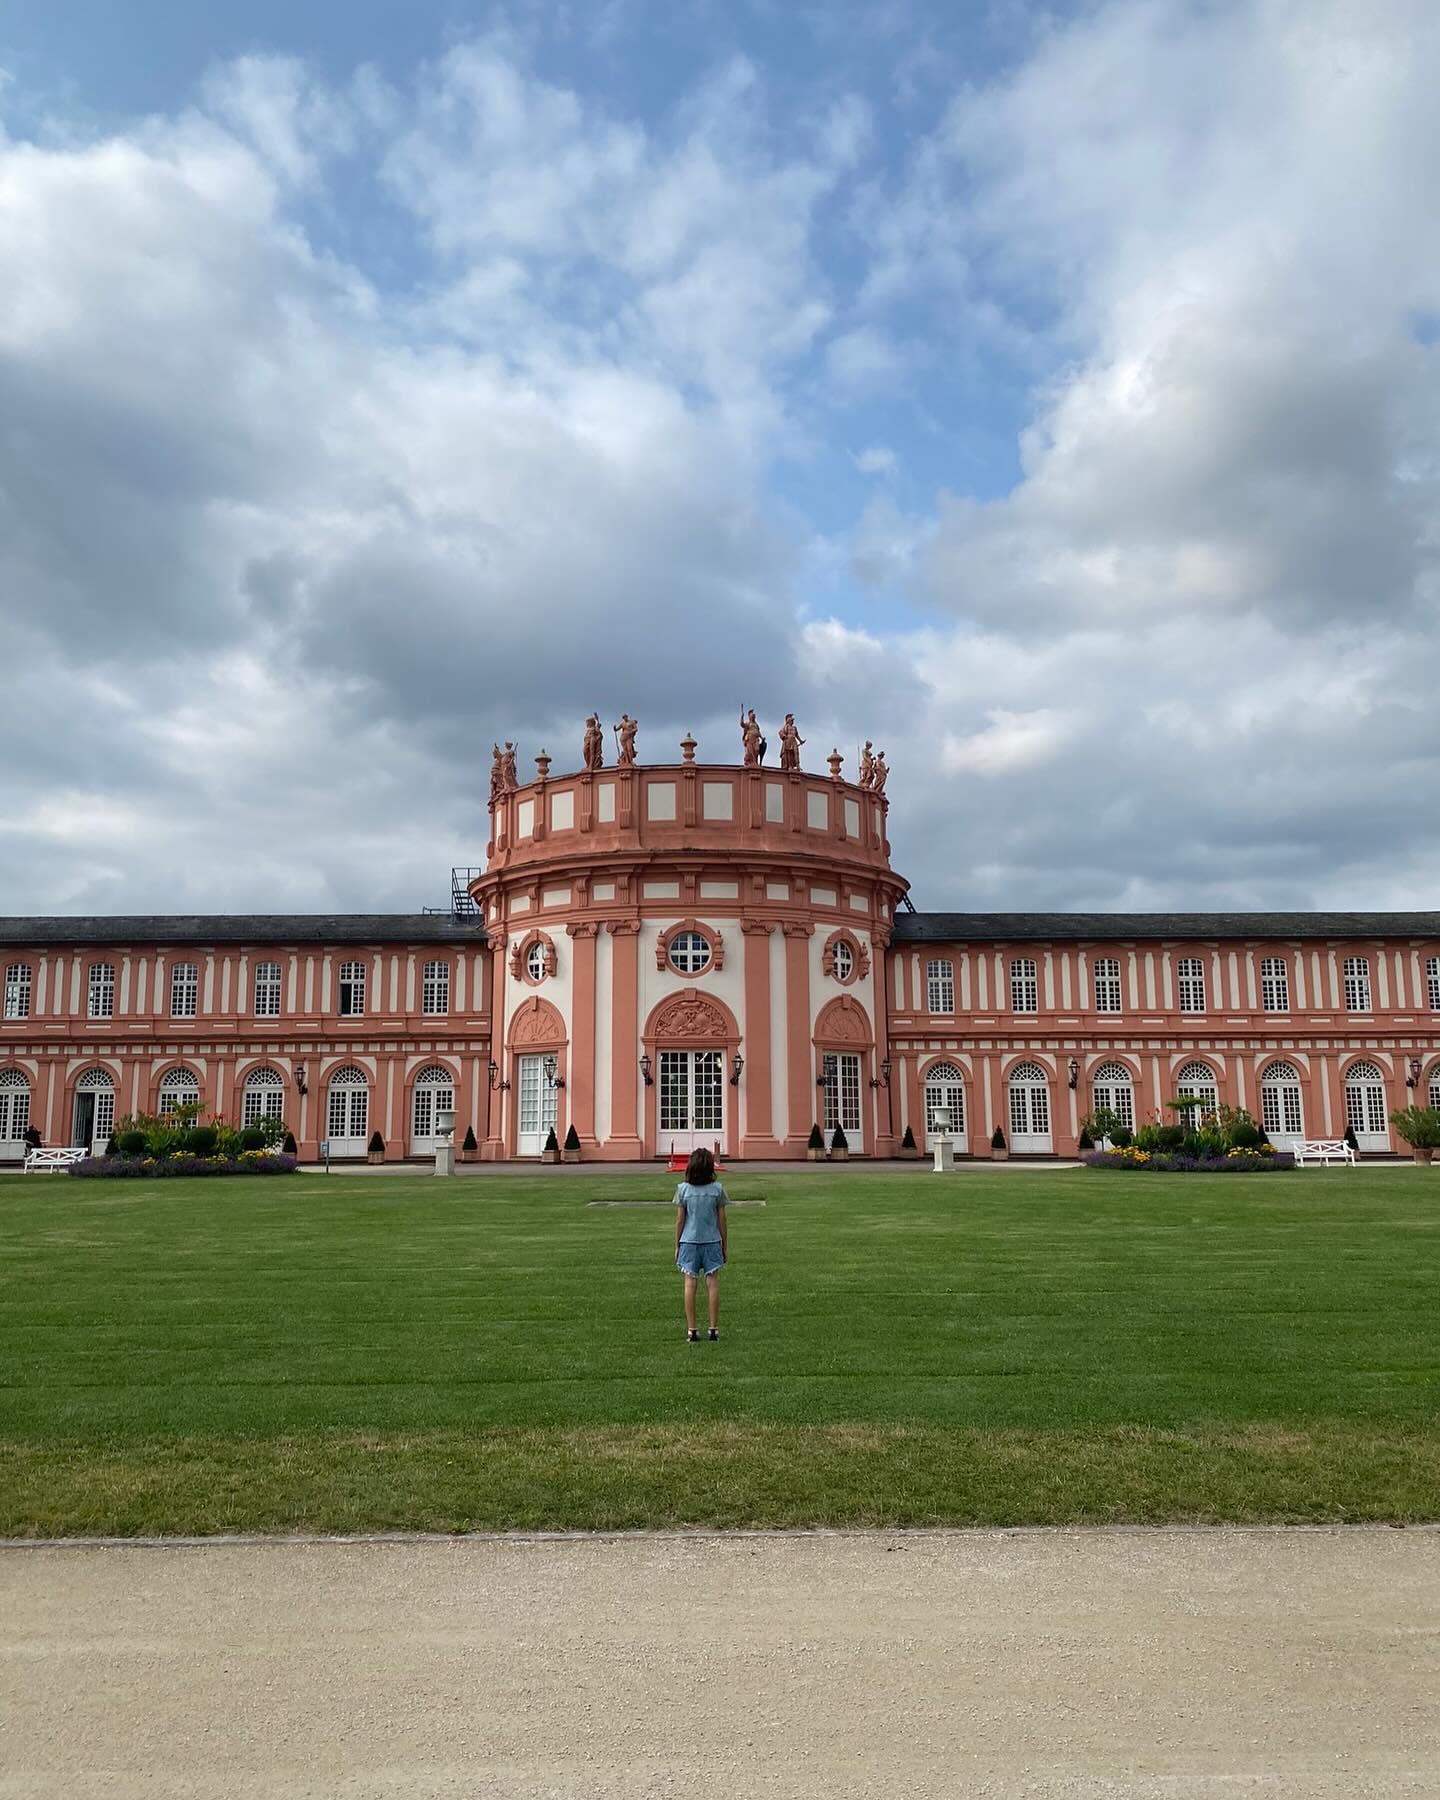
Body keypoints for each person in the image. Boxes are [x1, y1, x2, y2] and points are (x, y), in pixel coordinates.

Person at [673, 1146, 728, 1341]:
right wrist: (724, 1245)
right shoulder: (717, 1190)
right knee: (712, 1283)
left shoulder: (683, 1189)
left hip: (689, 1241)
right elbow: (722, 1220)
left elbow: (680, 1220)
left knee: (690, 1283)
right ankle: (713, 1329)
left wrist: (677, 1244)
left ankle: (692, 1330)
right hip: (712, 1240)